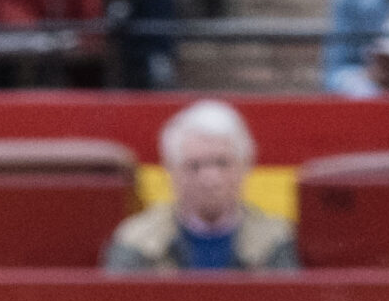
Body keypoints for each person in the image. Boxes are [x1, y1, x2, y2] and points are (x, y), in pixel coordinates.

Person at [103, 99, 298, 272]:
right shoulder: (136, 243)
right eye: (194, 166)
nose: (210, 179)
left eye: (222, 163)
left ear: (245, 166)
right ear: (171, 171)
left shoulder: (277, 241)